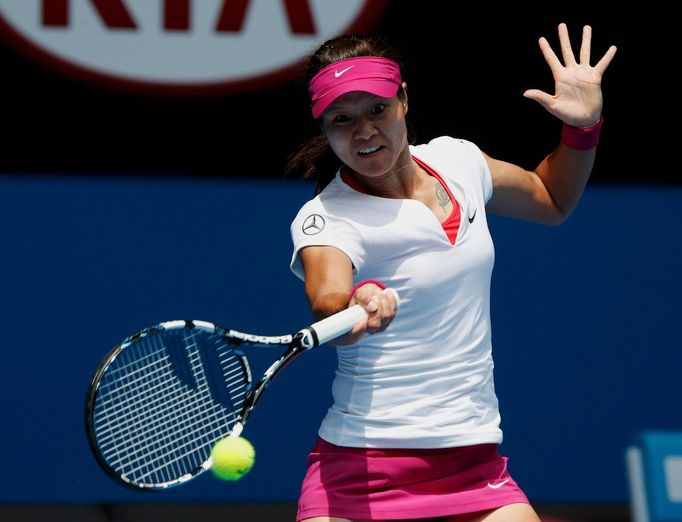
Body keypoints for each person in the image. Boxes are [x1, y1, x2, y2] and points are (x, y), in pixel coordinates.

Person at [287, 23, 616, 522]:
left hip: (474, 462)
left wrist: (583, 128)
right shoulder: (327, 220)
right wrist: (357, 304)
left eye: (377, 109)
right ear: (324, 128)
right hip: (362, 473)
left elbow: (552, 199)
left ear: (403, 99)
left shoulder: (459, 161)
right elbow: (327, 297)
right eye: (342, 119)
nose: (365, 131)